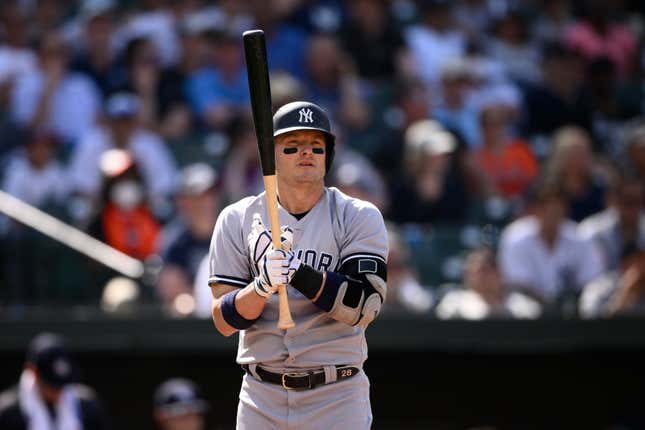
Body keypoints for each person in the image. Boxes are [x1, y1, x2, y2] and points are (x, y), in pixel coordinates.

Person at [208, 101, 388, 429]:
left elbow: (365, 307)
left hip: (337, 395)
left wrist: (299, 272)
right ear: (270, 155)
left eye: (316, 146)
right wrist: (260, 287)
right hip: (261, 397)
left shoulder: (357, 215)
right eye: (293, 146)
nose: (306, 153)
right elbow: (223, 320)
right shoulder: (237, 218)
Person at [0, 332, 109, 429]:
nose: (58, 391)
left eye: (62, 384)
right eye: (51, 384)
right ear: (33, 371)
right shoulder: (8, 412)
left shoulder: (87, 407)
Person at [435, 247, 542, 320]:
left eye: (485, 271)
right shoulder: (454, 303)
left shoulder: (520, 305)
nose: (479, 277)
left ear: (499, 273)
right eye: (473, 272)